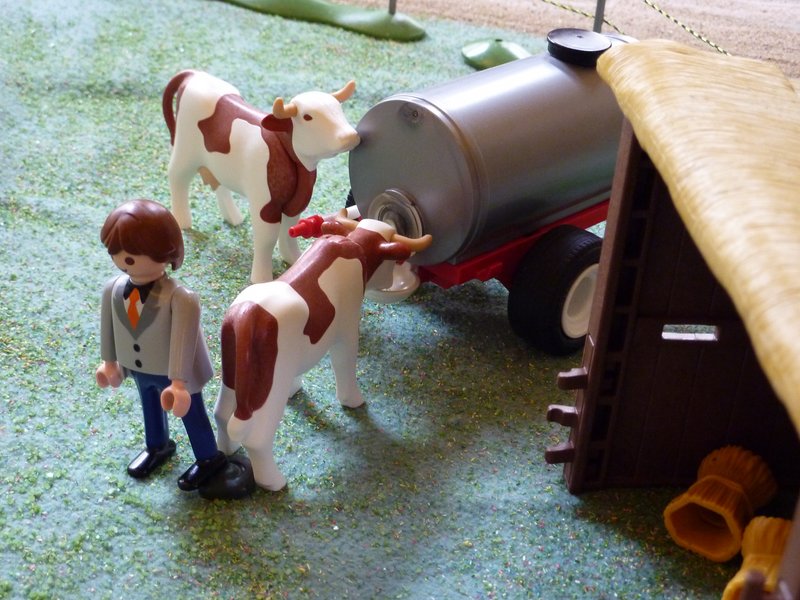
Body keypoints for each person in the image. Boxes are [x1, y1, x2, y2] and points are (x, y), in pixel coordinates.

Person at [95, 199, 234, 493]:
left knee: (192, 414)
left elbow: (184, 339)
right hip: (139, 368)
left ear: (165, 251)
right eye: (117, 250)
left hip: (176, 375)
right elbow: (108, 327)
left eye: (134, 251)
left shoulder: (181, 297)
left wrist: (179, 382)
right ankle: (157, 445)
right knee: (149, 407)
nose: (124, 259)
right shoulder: (113, 289)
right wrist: (109, 363)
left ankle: (208, 457)